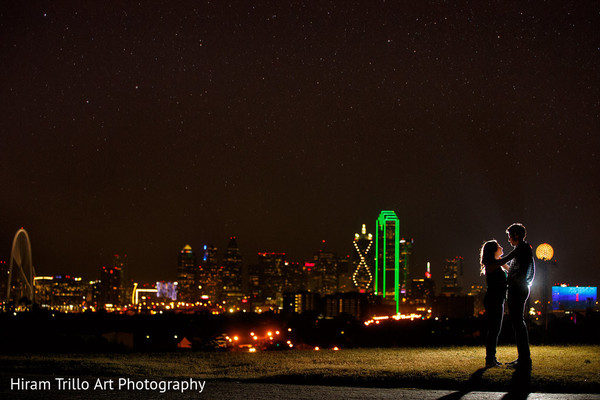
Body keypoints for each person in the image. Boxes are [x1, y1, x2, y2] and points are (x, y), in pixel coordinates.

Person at [493, 223, 535, 370]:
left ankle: (524, 359)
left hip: (517, 289)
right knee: (518, 323)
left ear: (516, 235)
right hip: (520, 288)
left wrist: (491, 260)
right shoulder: (524, 249)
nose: (509, 239)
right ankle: (523, 358)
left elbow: (503, 261)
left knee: (518, 324)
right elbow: (510, 268)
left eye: (510, 236)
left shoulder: (520, 249)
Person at [479, 240, 508, 368]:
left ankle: (492, 358)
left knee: (495, 330)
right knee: (493, 330)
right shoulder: (491, 264)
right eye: (498, 246)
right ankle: (490, 359)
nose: (501, 247)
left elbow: (510, 270)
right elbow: (501, 264)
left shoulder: (497, 263)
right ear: (493, 251)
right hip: (493, 300)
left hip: (498, 299)